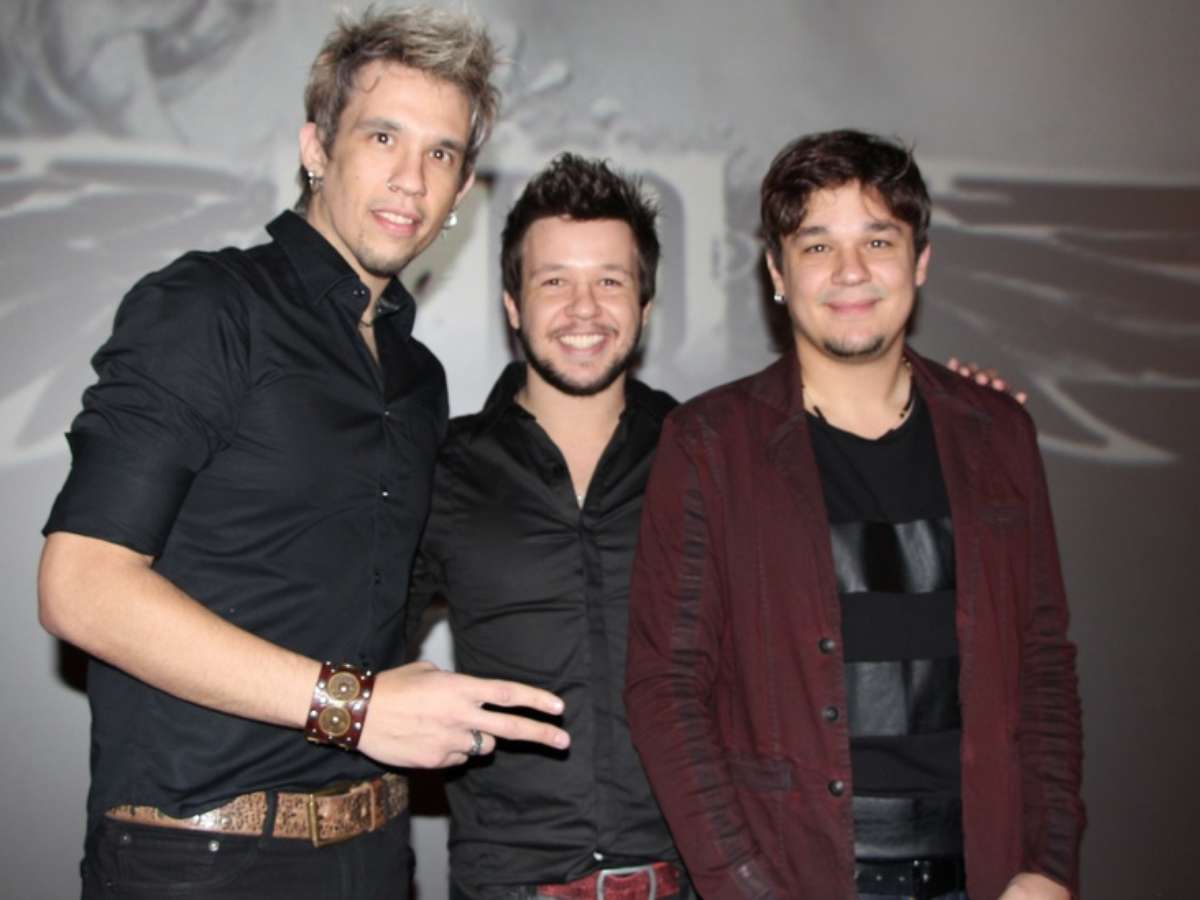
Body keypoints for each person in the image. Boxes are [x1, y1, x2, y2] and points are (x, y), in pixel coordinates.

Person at [37, 8, 568, 898]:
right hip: (199, 861)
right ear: (316, 147)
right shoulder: (209, 306)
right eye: (383, 137)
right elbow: (81, 586)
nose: (411, 179)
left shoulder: (418, 377)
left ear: (461, 193)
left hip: (376, 852)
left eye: (441, 153)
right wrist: (353, 709)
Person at [625, 129, 1084, 900]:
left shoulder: (1000, 434)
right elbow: (664, 688)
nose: (850, 271)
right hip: (794, 874)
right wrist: (744, 886)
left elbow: (1043, 665)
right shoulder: (709, 445)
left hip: (989, 873)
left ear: (920, 260)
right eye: (817, 246)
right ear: (777, 273)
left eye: (877, 240)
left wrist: (1049, 864)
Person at [409, 153, 690, 900]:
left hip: (687, 881)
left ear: (646, 305)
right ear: (513, 304)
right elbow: (358, 646)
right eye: (554, 281)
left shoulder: (707, 458)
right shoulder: (443, 469)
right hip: (508, 885)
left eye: (610, 281)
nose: (584, 309)